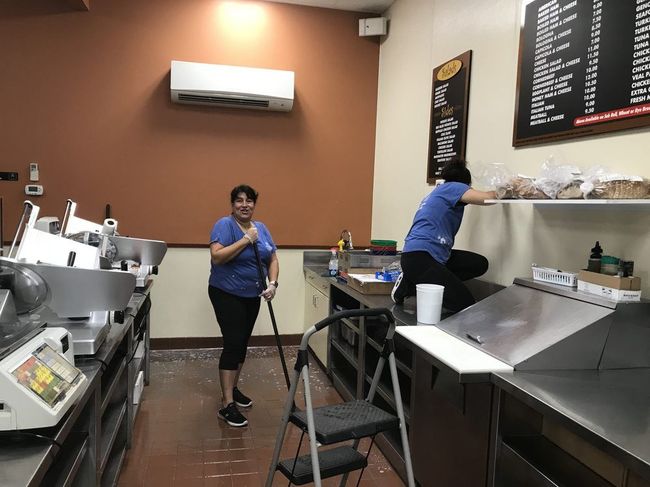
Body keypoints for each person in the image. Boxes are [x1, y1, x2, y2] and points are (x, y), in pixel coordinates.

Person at [208, 184, 279, 427]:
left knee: (242, 343)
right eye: (239, 200)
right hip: (226, 292)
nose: (244, 204)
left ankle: (233, 388)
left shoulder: (262, 228)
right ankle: (227, 404)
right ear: (232, 204)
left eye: (249, 200)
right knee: (233, 342)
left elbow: (273, 258)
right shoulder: (224, 225)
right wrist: (246, 240)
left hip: (252, 294)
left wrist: (273, 283)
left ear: (254, 204)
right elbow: (217, 257)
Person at [391, 159, 495, 312]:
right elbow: (488, 198)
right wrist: (510, 188)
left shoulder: (439, 192)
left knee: (479, 263)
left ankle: (410, 283)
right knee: (465, 304)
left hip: (426, 256)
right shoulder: (453, 187)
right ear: (465, 184)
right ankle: (410, 283)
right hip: (420, 258)